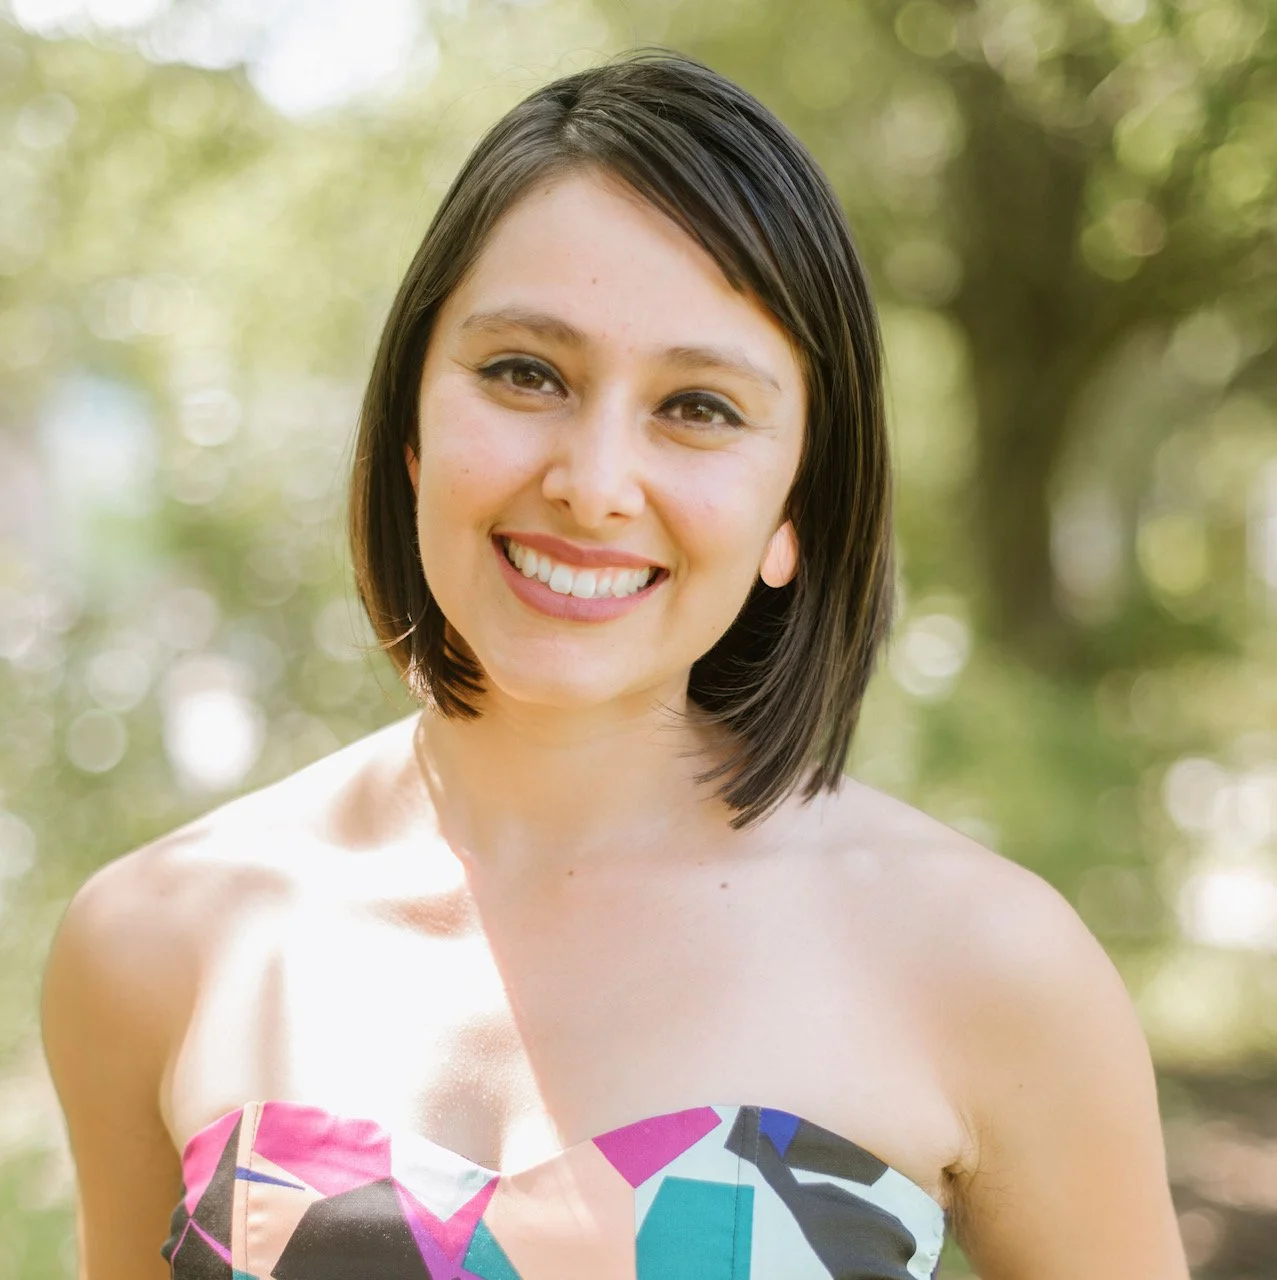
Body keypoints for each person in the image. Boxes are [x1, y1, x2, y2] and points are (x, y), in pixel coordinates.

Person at [41, 49, 1189, 1280]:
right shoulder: (158, 939)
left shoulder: (987, 960)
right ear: (414, 428)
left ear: (793, 506)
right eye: (524, 372)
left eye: (697, 406)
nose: (590, 483)